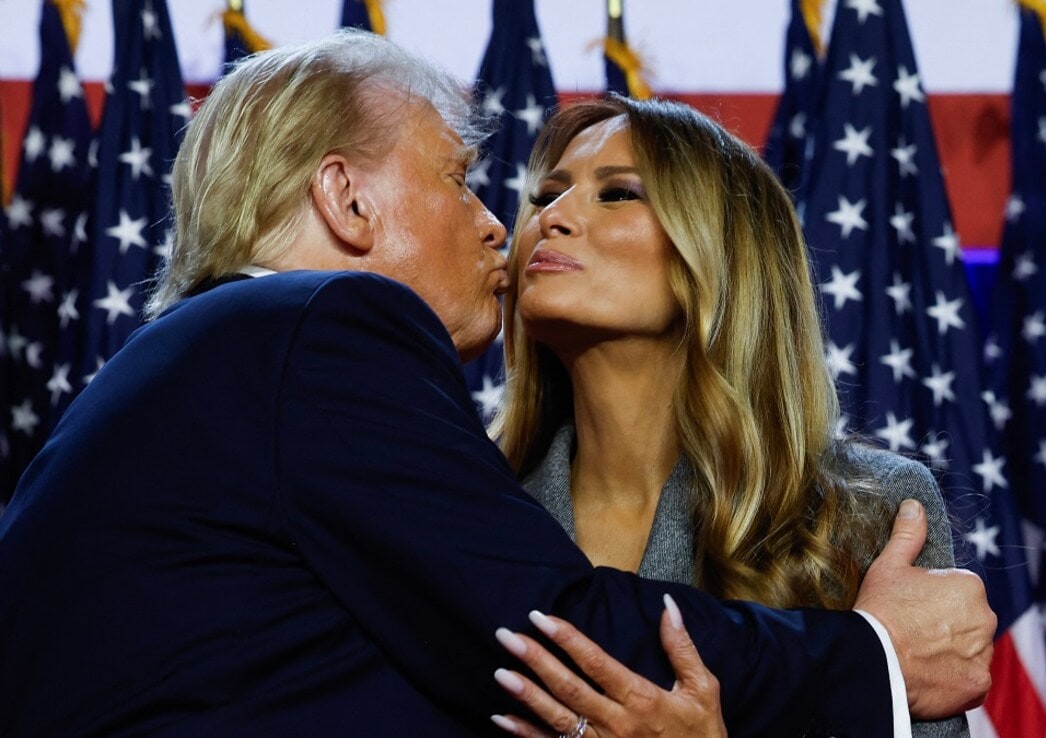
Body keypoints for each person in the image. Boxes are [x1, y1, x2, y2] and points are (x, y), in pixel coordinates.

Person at [0, 31, 993, 737]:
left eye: (615, 194)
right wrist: (868, 658)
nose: (509, 224)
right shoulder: (322, 328)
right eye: (464, 179)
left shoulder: (864, 512)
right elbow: (562, 623)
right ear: (345, 199)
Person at [488, 97, 972, 737]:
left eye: (618, 194)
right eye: (547, 194)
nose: (551, 218)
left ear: (720, 254)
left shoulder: (866, 512)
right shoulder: (474, 508)